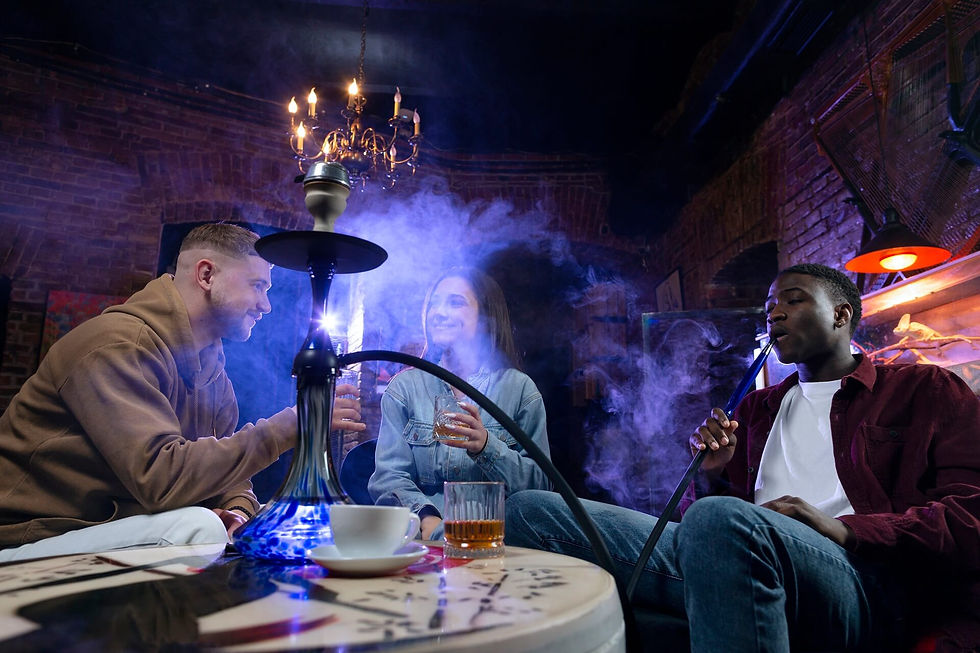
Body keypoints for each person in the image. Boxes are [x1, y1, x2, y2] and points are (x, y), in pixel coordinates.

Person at [506, 263, 980, 652]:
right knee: (530, 511)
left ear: (841, 315)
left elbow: (970, 515)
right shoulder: (757, 407)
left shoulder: (924, 388)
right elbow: (708, 532)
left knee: (719, 519)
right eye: (769, 307)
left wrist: (845, 529)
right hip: (743, 559)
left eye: (793, 300)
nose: (775, 314)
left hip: (863, 580)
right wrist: (710, 477)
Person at [0, 223, 364, 561]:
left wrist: (238, 512)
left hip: (106, 532)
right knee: (197, 528)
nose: (265, 305)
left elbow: (229, 478)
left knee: (263, 523)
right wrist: (289, 428)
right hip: (29, 538)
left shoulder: (214, 373)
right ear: (206, 275)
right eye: (257, 286)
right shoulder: (117, 345)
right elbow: (160, 479)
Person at [369, 267, 552, 541]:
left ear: (487, 319)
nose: (439, 312)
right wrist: (426, 519)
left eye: (455, 302)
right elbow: (389, 478)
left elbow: (541, 489)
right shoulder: (405, 388)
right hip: (424, 544)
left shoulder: (519, 390)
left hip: (499, 543)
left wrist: (486, 446)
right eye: (434, 303)